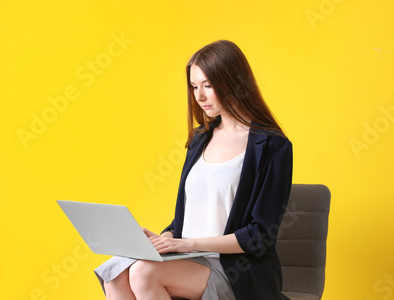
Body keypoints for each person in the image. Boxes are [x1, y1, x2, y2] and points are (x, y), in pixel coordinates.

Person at [94, 40, 293, 300]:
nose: (199, 97)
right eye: (194, 86)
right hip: (190, 258)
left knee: (144, 273)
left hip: (237, 269)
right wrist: (166, 236)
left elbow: (260, 235)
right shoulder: (200, 138)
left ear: (234, 82)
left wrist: (187, 244)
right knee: (115, 272)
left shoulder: (272, 146)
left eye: (208, 86)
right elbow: (196, 211)